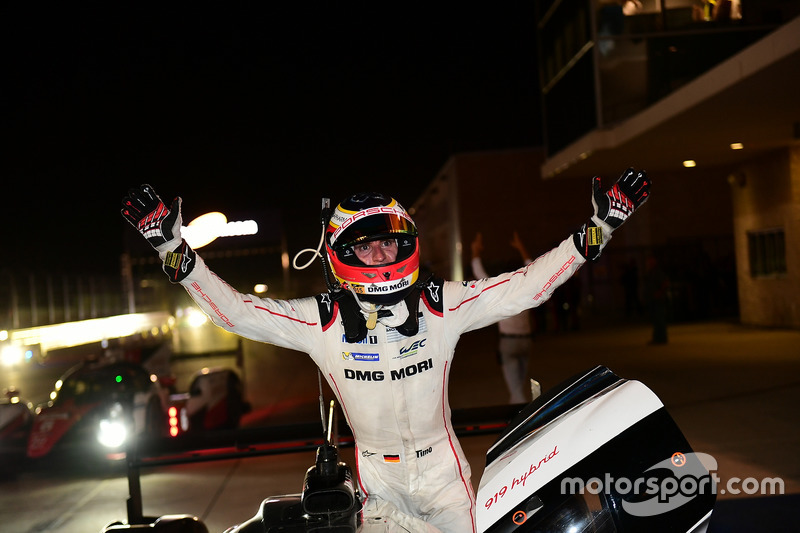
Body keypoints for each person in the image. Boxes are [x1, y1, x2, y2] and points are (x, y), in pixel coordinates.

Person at [121, 168, 651, 533]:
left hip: (446, 479)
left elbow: (529, 286)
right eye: (368, 243)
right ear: (341, 252)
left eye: (392, 239)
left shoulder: (442, 305)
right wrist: (172, 248)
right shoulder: (320, 321)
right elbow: (234, 312)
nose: (384, 251)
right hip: (379, 484)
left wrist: (599, 228)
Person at [470, 231, 535, 404]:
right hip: (526, 341)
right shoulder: (525, 290)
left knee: (516, 390)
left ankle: (520, 420)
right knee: (520, 384)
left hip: (508, 343)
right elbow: (532, 268)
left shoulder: (498, 292)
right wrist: (521, 247)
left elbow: (478, 271)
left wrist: (476, 250)